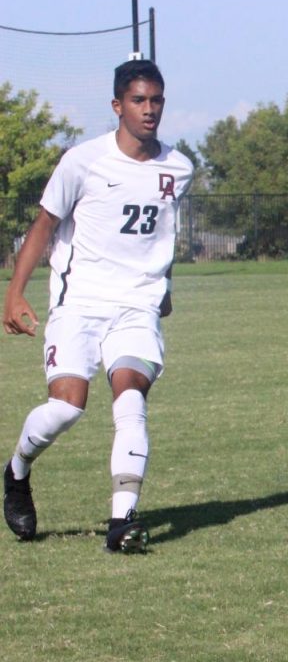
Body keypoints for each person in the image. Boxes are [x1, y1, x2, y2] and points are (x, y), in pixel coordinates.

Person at [3, 59, 193, 554]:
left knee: (130, 397)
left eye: (156, 101)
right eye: (138, 101)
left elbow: (163, 235)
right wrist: (14, 292)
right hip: (79, 303)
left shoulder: (179, 168)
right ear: (117, 106)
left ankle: (121, 522)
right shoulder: (82, 162)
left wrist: (162, 289)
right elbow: (44, 226)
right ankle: (17, 470)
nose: (149, 110)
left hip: (136, 306)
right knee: (66, 408)